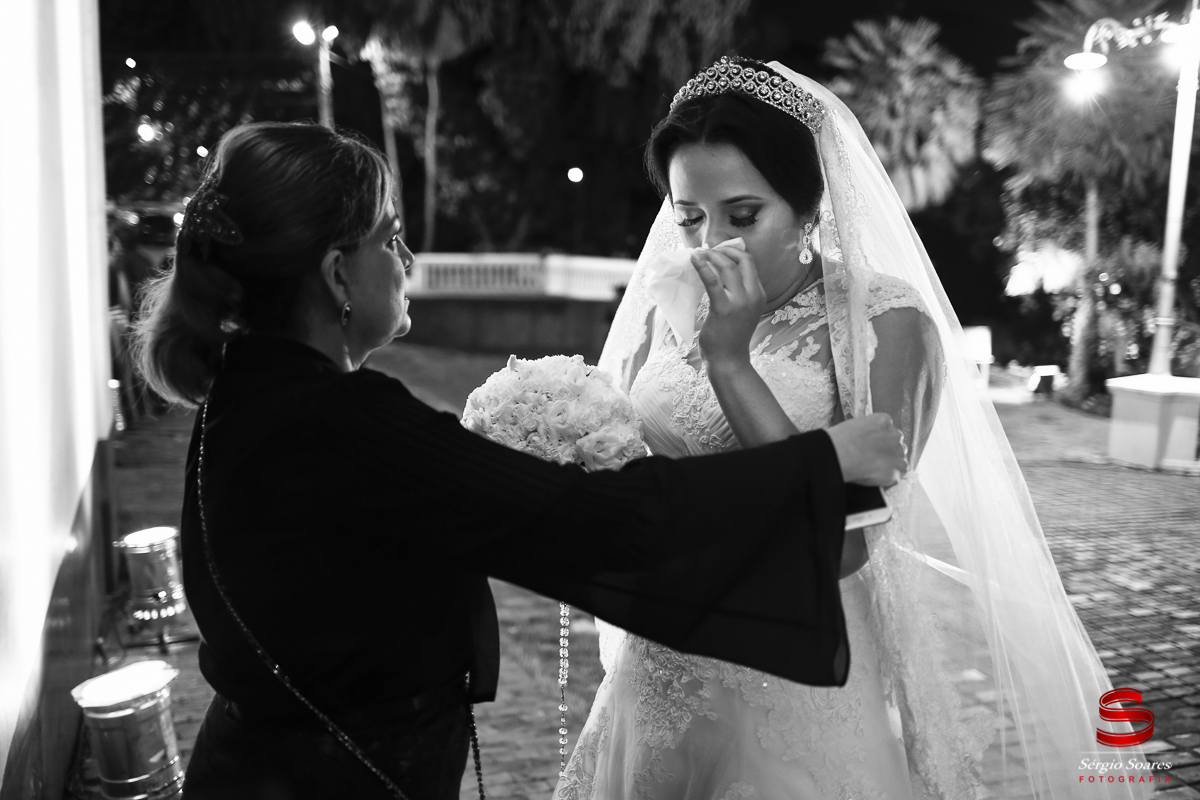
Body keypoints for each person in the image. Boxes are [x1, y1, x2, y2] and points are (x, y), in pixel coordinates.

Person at [130, 121, 907, 800]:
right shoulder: (342, 419)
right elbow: (605, 522)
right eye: (390, 238)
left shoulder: (249, 386)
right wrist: (824, 457)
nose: (407, 257)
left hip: (271, 763)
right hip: (325, 777)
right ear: (338, 274)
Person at [555, 57, 1153, 799]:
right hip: (666, 661)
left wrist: (731, 363)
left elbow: (842, 543)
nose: (711, 244)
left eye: (744, 216)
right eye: (688, 218)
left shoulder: (888, 325)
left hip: (797, 674)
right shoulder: (664, 308)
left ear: (810, 209)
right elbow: (631, 477)